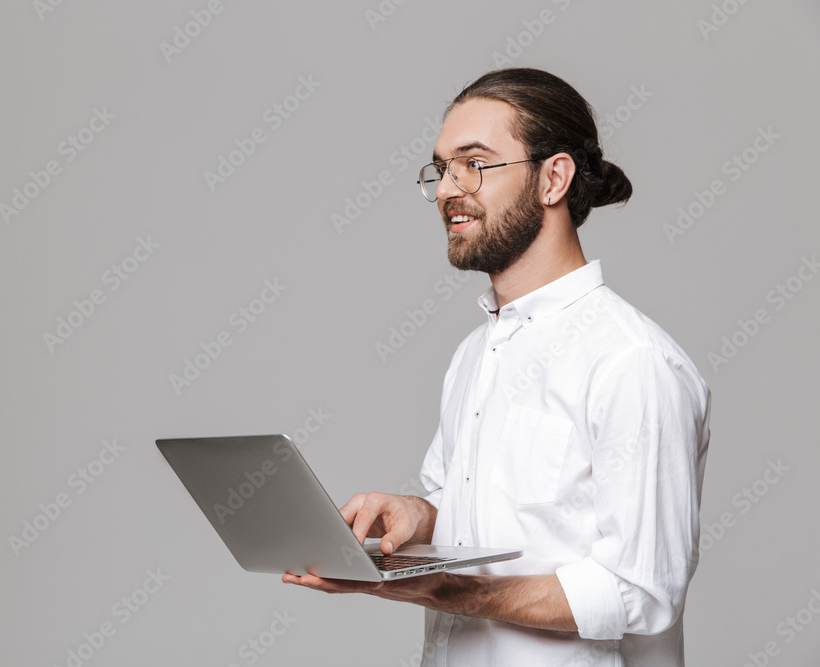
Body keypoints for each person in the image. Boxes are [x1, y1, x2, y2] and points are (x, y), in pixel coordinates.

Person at [282, 67, 712, 666]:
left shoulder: (632, 362)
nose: (447, 190)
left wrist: (435, 588)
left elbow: (640, 590)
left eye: (475, 163)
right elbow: (484, 518)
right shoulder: (473, 354)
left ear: (553, 178)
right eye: (442, 167)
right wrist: (419, 516)